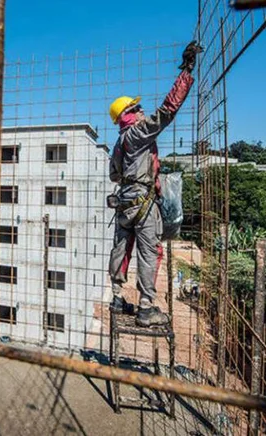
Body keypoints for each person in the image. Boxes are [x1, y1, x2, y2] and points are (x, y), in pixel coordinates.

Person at [107, 41, 201, 327]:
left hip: (124, 202)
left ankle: (117, 297)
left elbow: (114, 175)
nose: (141, 110)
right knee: (150, 251)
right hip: (143, 202)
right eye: (137, 108)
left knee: (121, 248)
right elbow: (167, 110)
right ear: (127, 116)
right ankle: (146, 307)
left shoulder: (119, 143)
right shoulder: (137, 133)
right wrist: (186, 73)